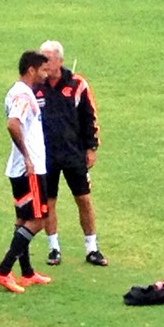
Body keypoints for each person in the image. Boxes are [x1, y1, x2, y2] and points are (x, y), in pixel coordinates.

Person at [36, 40, 108, 267]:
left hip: (73, 153)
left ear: (60, 60)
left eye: (47, 58)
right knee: (48, 202)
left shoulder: (77, 85)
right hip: (45, 155)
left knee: (84, 199)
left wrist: (91, 147)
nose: (44, 64)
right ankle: (53, 248)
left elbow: (90, 117)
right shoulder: (35, 86)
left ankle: (92, 248)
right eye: (41, 58)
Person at [0, 50, 53, 293]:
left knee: (23, 219)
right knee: (38, 220)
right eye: (43, 70)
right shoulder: (24, 96)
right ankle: (3, 270)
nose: (46, 75)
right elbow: (13, 123)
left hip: (19, 168)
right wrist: (28, 157)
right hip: (30, 169)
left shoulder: (17, 91)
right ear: (31, 70)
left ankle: (26, 272)